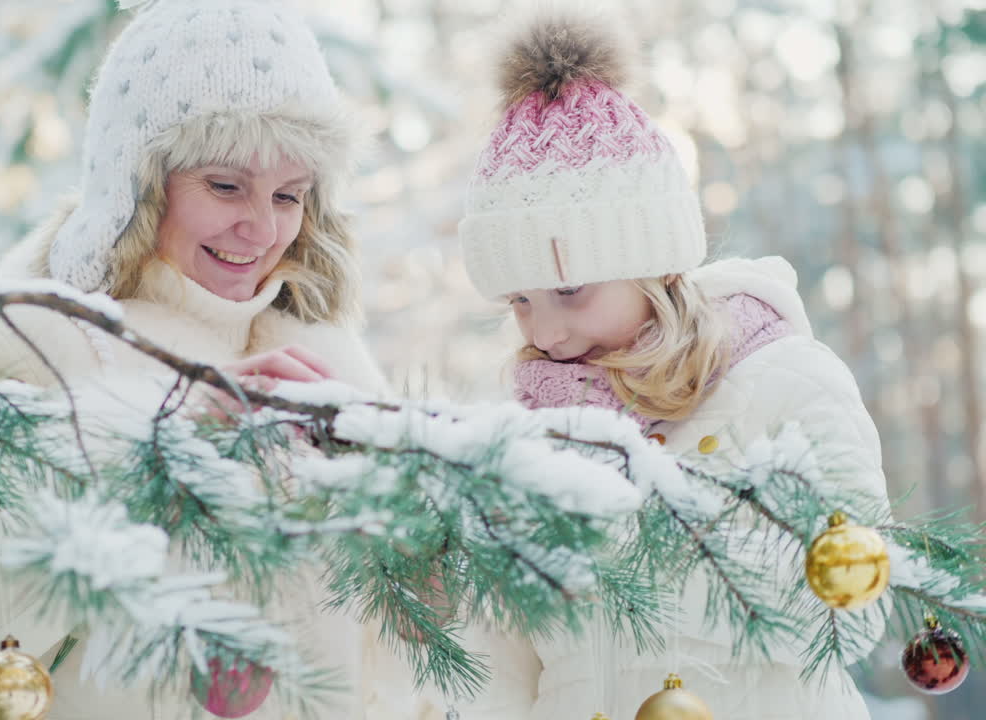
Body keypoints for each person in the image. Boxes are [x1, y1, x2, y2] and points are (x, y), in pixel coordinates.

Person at [369, 7, 890, 719]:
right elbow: (518, 677)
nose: (546, 332)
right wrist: (444, 603)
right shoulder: (534, 431)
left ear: (652, 262)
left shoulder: (788, 382)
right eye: (519, 300)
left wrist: (617, 535)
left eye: (569, 290)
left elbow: (852, 614)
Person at [0, 1, 386, 718]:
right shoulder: (18, 344)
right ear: (136, 182)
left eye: (289, 195)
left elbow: (426, 656)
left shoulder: (333, 364)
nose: (261, 228)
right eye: (225, 185)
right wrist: (147, 446)